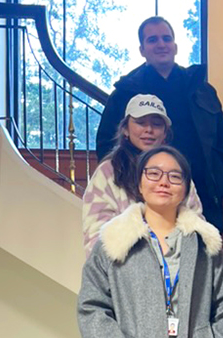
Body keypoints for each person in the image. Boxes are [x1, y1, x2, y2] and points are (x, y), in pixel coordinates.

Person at [78, 146, 223, 338]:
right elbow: (92, 309)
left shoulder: (206, 243)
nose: (164, 181)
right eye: (153, 173)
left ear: (186, 188)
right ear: (139, 183)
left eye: (175, 176)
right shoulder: (113, 242)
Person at [95, 16, 223, 232]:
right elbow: (106, 144)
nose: (161, 44)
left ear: (175, 46)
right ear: (142, 49)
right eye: (152, 40)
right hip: (146, 196)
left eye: (166, 38)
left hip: (203, 193)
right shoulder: (126, 92)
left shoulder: (202, 89)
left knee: (202, 259)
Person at [82, 94, 202, 257]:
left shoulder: (178, 170)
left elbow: (196, 224)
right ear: (125, 129)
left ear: (165, 132)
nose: (149, 130)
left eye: (156, 124)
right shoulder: (108, 172)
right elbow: (95, 238)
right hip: (123, 272)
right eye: (140, 122)